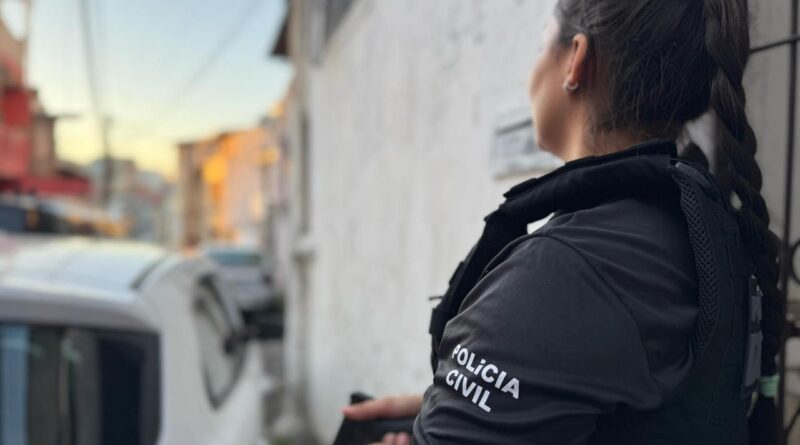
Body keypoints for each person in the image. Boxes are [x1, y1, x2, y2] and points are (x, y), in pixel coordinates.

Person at [343, 0, 783, 444]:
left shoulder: (571, 268)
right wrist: (462, 414)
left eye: (541, 47)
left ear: (576, 59)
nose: (532, 72)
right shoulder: (689, 232)